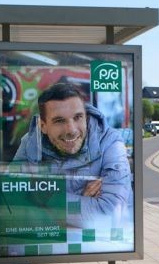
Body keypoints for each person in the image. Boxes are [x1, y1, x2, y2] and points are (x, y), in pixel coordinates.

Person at [11, 82, 132, 227]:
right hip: (49, 243)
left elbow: (110, 213)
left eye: (78, 117)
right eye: (59, 121)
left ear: (85, 117)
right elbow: (11, 204)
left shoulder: (111, 142)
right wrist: (81, 202)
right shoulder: (30, 143)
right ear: (43, 126)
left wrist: (44, 198)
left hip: (105, 244)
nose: (71, 130)